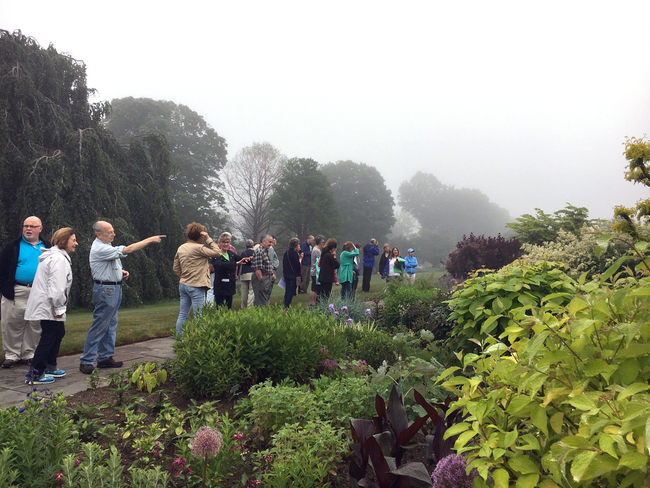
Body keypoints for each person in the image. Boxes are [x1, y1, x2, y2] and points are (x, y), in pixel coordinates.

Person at [79, 221, 166, 374]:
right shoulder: (100, 248)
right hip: (106, 290)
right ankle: (86, 360)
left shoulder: (107, 247)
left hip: (113, 287)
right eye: (110, 232)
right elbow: (129, 249)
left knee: (110, 325)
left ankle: (105, 358)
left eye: (113, 231)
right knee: (100, 325)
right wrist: (149, 240)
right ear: (99, 234)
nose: (114, 234)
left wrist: (120, 272)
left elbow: (108, 265)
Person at [24, 228, 77, 384]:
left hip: (48, 305)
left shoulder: (56, 257)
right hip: (50, 306)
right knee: (48, 337)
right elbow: (57, 288)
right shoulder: (59, 260)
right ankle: (36, 373)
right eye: (73, 240)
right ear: (64, 241)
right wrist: (59, 309)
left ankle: (50, 366)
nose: (76, 243)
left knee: (58, 333)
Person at [0, 216, 51, 369]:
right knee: (12, 323)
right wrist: (5, 287)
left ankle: (28, 354)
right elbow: (2, 269)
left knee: (34, 324)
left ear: (40, 229)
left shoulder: (47, 246)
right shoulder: (13, 246)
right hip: (17, 290)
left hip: (39, 291)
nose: (28, 229)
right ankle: (12, 355)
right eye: (26, 226)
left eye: (32, 226)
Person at [173, 223, 222, 335]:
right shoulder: (199, 248)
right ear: (200, 235)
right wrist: (208, 239)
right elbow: (218, 253)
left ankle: (180, 340)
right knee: (199, 316)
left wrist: (184, 276)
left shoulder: (181, 247)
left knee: (182, 314)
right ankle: (198, 340)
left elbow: (175, 267)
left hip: (183, 285)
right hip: (197, 286)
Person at [212, 232, 250, 309]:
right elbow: (220, 264)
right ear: (219, 243)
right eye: (223, 242)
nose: (225, 244)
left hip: (230, 286)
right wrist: (236, 263)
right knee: (220, 309)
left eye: (227, 242)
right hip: (220, 287)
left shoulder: (231, 254)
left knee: (229, 308)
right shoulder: (216, 254)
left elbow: (241, 260)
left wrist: (248, 259)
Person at [251, 235, 275, 306]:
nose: (271, 244)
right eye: (269, 242)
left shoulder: (266, 251)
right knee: (261, 302)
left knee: (264, 299)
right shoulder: (259, 252)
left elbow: (267, 265)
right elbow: (258, 269)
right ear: (263, 242)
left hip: (267, 277)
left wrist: (272, 274)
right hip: (262, 278)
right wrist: (261, 281)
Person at [282, 237, 302, 308]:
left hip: (287, 274)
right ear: (296, 245)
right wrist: (300, 259)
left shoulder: (286, 252)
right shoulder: (294, 253)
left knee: (287, 290)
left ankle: (285, 304)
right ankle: (287, 306)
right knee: (291, 291)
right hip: (293, 275)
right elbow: (297, 265)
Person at [237, 239, 256, 308]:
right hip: (252, 273)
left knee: (244, 292)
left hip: (243, 274)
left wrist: (237, 274)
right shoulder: (255, 252)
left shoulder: (243, 253)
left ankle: (243, 306)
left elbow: (239, 264)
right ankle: (249, 307)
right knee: (251, 291)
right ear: (253, 245)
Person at [309, 235, 325, 306]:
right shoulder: (317, 251)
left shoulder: (315, 249)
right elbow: (319, 261)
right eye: (323, 242)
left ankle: (312, 302)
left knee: (313, 287)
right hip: (315, 271)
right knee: (315, 289)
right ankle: (313, 302)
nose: (323, 244)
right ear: (320, 242)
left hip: (313, 270)